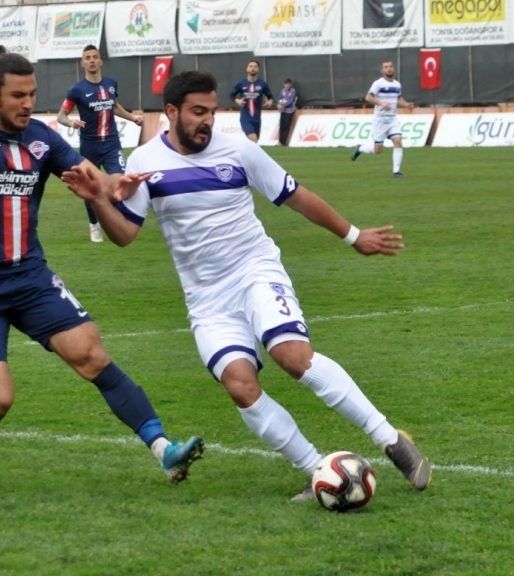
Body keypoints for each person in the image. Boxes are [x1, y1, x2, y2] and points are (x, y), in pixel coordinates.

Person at [62, 70, 432, 501]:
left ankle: (390, 439)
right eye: (198, 112)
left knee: (292, 356)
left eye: (212, 111)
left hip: (255, 271)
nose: (208, 121)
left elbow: (295, 194)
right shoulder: (145, 162)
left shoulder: (238, 150)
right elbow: (125, 234)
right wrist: (97, 198)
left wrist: (353, 236)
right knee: (240, 383)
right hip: (206, 299)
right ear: (171, 112)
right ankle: (317, 471)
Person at [0, 52, 204, 484]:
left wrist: (120, 186)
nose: (28, 104)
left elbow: (95, 178)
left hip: (31, 278)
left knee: (92, 355)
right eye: (17, 96)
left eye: (32, 94)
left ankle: (164, 450)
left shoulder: (41, 138)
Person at [57, 45, 144, 243]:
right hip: (89, 147)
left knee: (120, 182)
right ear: (82, 63)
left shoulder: (111, 85)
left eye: (95, 57)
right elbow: (61, 116)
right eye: (87, 58)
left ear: (101, 61)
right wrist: (72, 122)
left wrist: (132, 117)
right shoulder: (77, 90)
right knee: (91, 188)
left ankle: (116, 221)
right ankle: (94, 225)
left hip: (112, 144)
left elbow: (115, 107)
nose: (92, 60)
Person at [351, 61, 414, 178]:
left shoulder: (397, 85)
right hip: (380, 120)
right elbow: (368, 97)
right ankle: (360, 148)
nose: (389, 69)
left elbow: (398, 99)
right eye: (386, 67)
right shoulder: (378, 83)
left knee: (398, 141)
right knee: (378, 150)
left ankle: (396, 172)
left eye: (390, 67)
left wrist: (407, 105)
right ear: (382, 70)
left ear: (393, 69)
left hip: (392, 119)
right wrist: (381, 103)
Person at [230, 60, 273, 143]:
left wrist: (270, 101)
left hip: (257, 117)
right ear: (247, 69)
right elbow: (232, 95)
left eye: (255, 66)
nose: (253, 68)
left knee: (254, 142)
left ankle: (246, 155)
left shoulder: (262, 84)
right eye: (250, 66)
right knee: (253, 139)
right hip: (246, 117)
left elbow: (270, 96)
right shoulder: (241, 83)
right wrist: (237, 100)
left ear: (258, 69)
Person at [276, 79, 297, 146]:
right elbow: (279, 98)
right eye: (286, 84)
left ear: (291, 84)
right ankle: (280, 141)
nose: (287, 85)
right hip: (283, 110)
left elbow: (291, 101)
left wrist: (283, 106)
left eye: (288, 84)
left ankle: (284, 142)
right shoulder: (283, 91)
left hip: (290, 111)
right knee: (281, 126)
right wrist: (279, 104)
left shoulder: (293, 91)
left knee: (286, 126)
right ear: (284, 84)